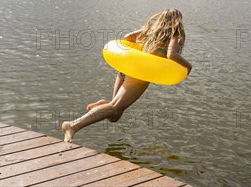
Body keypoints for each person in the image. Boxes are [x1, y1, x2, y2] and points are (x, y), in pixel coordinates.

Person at [62, 8, 192, 143]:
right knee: (114, 108)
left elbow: (127, 37)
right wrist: (188, 66)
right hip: (140, 74)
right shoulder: (175, 34)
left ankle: (100, 106)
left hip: (126, 68)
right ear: (178, 22)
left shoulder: (151, 31)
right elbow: (172, 55)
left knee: (115, 115)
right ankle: (72, 126)